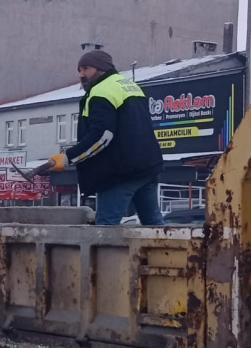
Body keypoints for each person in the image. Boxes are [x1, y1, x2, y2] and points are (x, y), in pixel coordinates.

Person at [47, 50, 165, 226]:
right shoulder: (130, 86)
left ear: (101, 68)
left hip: (119, 173)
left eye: (86, 69)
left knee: (105, 228)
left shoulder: (101, 91)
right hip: (147, 167)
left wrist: (68, 157)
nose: (81, 75)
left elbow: (102, 136)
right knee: (154, 225)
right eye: (79, 70)